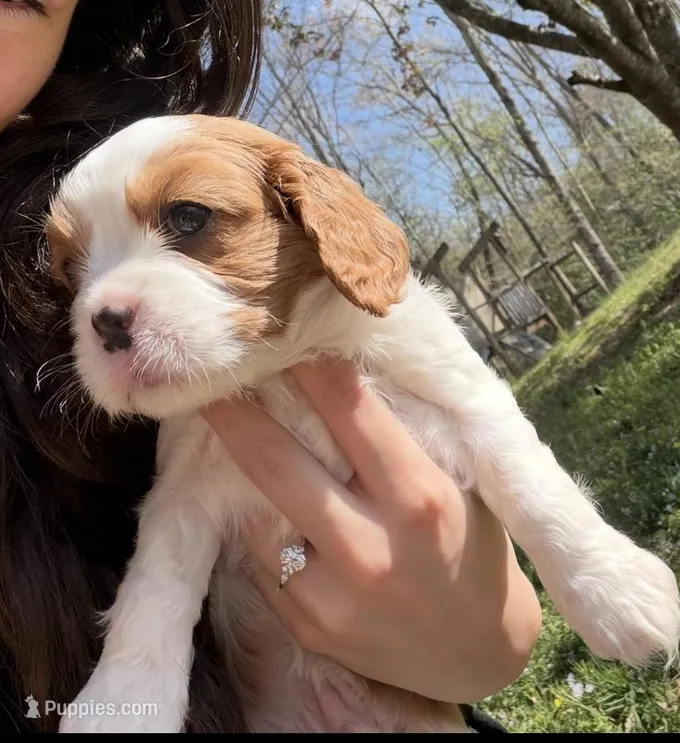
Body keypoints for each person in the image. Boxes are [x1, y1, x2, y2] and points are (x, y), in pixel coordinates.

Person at [0, 0, 541, 733]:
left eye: (188, 222)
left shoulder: (159, 152)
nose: (101, 300)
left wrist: (484, 631)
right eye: (73, 274)